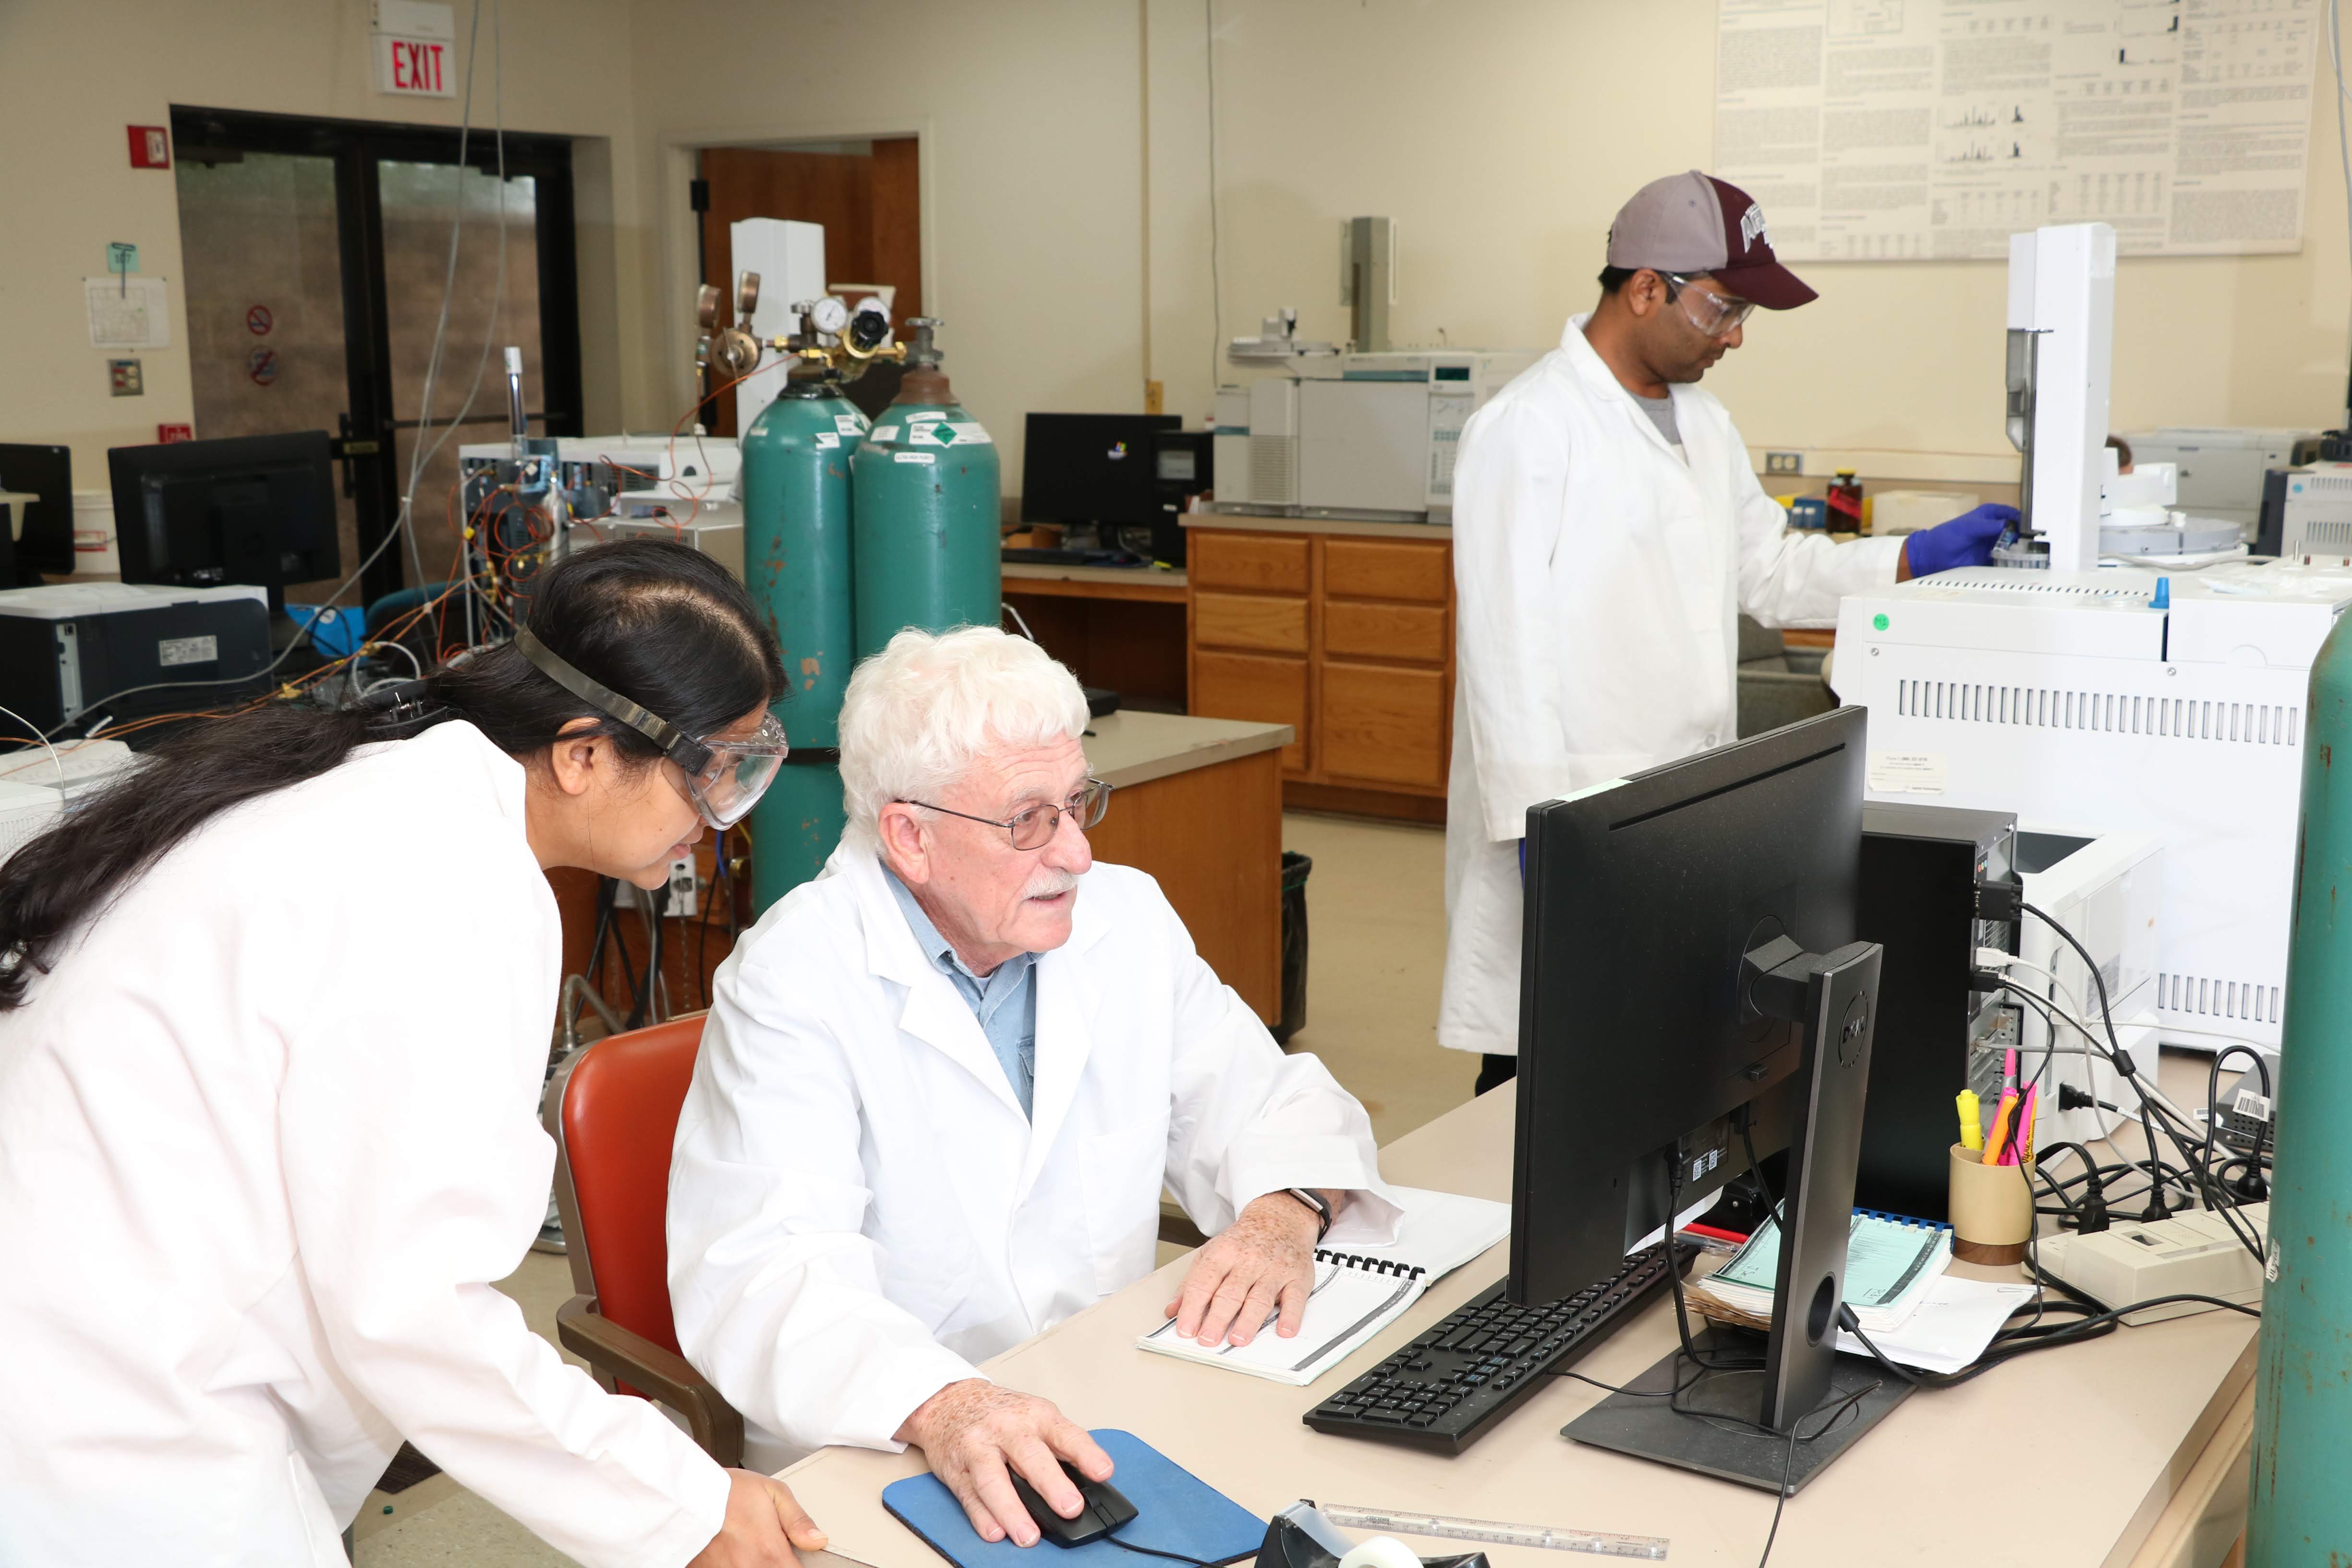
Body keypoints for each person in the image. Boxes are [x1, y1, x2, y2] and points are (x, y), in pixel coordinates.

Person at [0, 541, 827, 1568]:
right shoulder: (446, 888)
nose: (718, 822)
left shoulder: (396, 785)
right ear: (581, 754)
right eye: (711, 772)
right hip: (112, 1428)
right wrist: (681, 1504)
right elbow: (417, 1311)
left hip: (100, 1348)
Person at [668, 625, 1399, 1545]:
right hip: (887, 1447)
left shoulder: (1122, 918)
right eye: (1027, 820)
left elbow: (1268, 1099)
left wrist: (1282, 1210)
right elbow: (768, 1275)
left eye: (1077, 802)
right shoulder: (793, 982)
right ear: (910, 836)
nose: (1076, 855)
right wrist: (943, 1401)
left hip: (1112, 1409)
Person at [1440, 170, 2018, 1093]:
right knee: (1547, 1074)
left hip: (1681, 807)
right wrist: (1537, 836)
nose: (1737, 336)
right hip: (1575, 820)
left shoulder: (1702, 423)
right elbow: (1504, 654)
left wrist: (1913, 558)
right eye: (1722, 309)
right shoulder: (1527, 429)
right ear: (1643, 288)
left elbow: (1769, 569)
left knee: (1657, 1061)